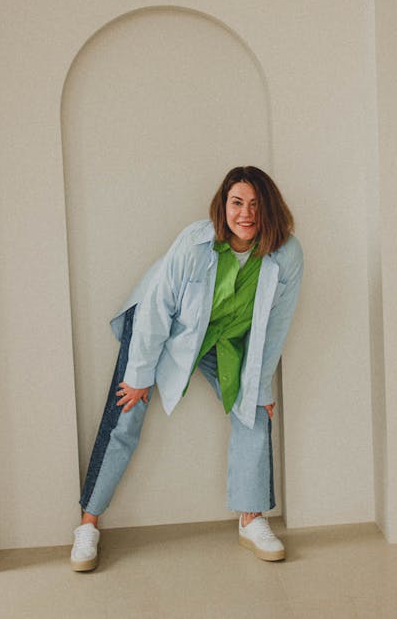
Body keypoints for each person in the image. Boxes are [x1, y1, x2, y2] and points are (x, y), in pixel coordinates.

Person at [71, 166, 303, 570]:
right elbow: (158, 308)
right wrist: (139, 376)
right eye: (236, 203)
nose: (245, 213)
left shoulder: (287, 254)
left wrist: (260, 387)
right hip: (157, 327)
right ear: (223, 205)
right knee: (125, 412)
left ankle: (252, 519)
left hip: (222, 337)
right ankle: (88, 525)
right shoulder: (196, 242)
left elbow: (276, 327)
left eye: (254, 204)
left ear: (270, 209)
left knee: (255, 412)